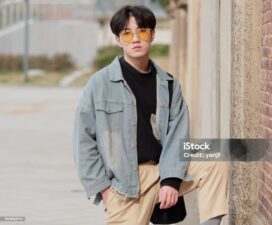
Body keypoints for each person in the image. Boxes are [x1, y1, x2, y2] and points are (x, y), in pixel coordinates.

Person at [73, 5, 229, 225]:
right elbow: (83, 141)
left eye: (142, 31)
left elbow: (178, 137)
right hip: (124, 183)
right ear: (118, 40)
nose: (135, 38)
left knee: (215, 155)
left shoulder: (169, 84)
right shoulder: (99, 84)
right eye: (127, 33)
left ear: (152, 35)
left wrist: (171, 180)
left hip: (162, 168)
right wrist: (104, 189)